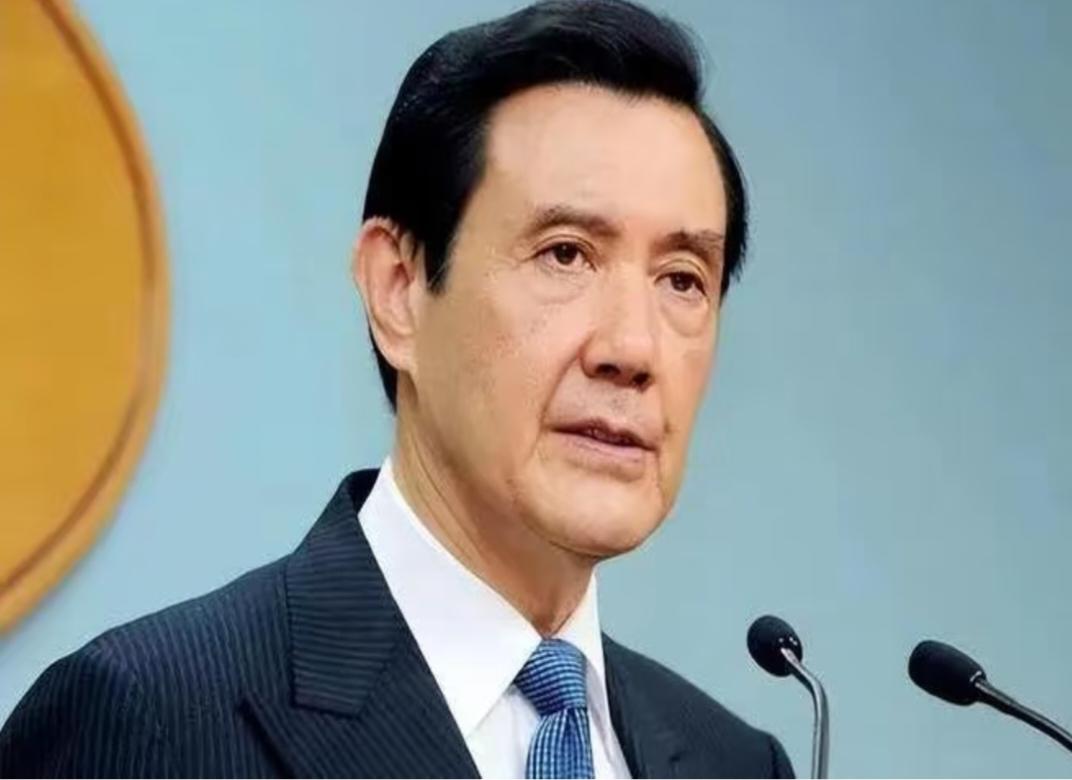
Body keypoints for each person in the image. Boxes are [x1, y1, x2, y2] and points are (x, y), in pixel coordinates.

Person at [0, 0, 793, 776]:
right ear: (399, 289)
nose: (632, 348)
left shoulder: (739, 763)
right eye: (565, 254)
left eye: (682, 279)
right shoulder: (153, 719)